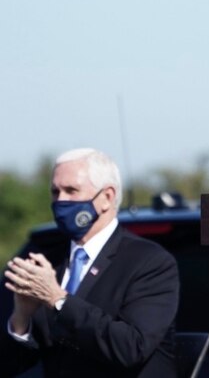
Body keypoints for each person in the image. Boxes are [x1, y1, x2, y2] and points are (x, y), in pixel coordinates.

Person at [2, 148, 179, 377]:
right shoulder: (47, 264)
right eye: (55, 192)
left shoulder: (149, 262)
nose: (60, 201)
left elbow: (130, 348)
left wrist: (58, 300)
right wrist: (21, 318)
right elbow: (11, 364)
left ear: (106, 197)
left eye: (71, 191)